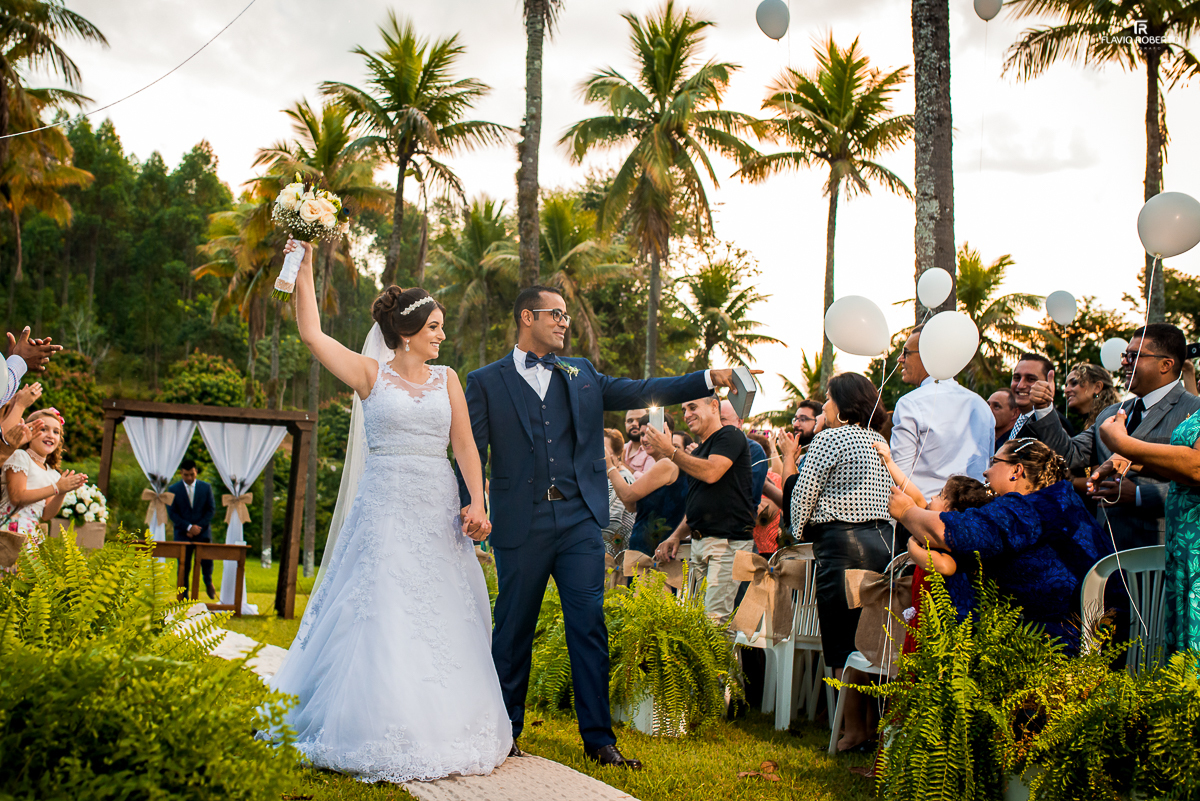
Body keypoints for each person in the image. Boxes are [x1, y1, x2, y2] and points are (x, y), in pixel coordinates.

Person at [455, 284, 753, 769]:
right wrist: (472, 504)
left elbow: (643, 388)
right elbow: (470, 451)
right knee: (512, 630)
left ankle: (599, 740)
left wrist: (707, 377)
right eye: (556, 314)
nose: (564, 322)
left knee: (588, 626)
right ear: (527, 316)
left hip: (578, 521)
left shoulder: (583, 374)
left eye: (567, 315)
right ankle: (503, 731)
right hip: (520, 522)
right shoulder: (485, 381)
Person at [266, 239, 510, 783]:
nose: (442, 336)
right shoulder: (370, 375)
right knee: (383, 604)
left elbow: (466, 447)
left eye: (442, 327)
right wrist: (304, 266)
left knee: (444, 606)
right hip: (386, 507)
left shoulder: (449, 379)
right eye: (434, 328)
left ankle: (448, 717)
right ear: (405, 333)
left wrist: (477, 501)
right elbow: (312, 334)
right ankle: (375, 719)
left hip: (438, 507)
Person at [892, 439, 1112, 655]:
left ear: (1015, 470)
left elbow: (947, 532)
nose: (986, 473)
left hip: (1053, 644)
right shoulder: (1060, 501)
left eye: (993, 461)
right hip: (1100, 636)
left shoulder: (1027, 508)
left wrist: (906, 513)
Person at [1024, 324, 1200, 550]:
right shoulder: (1110, 414)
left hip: (1162, 553)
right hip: (1106, 548)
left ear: (1166, 365)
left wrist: (1137, 494)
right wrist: (1044, 408)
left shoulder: (1194, 412)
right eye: (1125, 355)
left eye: (1134, 356)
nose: (1125, 362)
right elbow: (1068, 456)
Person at [1091, 406, 1200, 652]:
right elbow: (1182, 468)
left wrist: (1122, 442)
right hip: (1184, 549)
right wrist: (1132, 462)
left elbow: (1197, 467)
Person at [648, 395, 756, 626]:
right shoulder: (697, 454)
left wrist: (671, 452)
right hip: (701, 543)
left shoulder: (730, 435)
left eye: (693, 407)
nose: (687, 415)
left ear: (714, 406)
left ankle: (722, 664)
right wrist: (676, 536)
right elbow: (699, 504)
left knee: (713, 623)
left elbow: (712, 472)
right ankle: (719, 664)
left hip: (727, 543)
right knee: (702, 626)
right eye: (684, 409)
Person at [890, 325, 995, 505]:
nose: (900, 359)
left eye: (906, 352)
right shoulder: (981, 405)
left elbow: (899, 474)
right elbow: (988, 466)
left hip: (923, 513)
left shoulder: (910, 403)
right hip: (973, 513)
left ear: (927, 355)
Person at [0, 408, 87, 573]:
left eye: (56, 432)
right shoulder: (20, 457)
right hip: (10, 531)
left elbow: (46, 514)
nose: (50, 435)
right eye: (43, 429)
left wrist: (62, 492)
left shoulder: (53, 473)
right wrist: (56, 488)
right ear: (29, 432)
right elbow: (17, 497)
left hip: (31, 537)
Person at [607, 429, 688, 557]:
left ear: (666, 435)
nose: (645, 439)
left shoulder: (667, 464)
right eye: (642, 434)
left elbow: (627, 496)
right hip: (644, 550)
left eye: (651, 433)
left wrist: (609, 466)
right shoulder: (659, 467)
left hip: (658, 553)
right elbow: (631, 506)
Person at [166, 459, 217, 600]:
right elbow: (172, 513)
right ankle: (184, 597)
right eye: (186, 475)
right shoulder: (173, 490)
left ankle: (208, 582)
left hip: (203, 532)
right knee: (184, 566)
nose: (189, 478)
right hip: (183, 534)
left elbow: (211, 510)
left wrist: (198, 527)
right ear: (181, 473)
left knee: (207, 562)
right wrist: (188, 527)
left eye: (192, 474)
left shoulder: (206, 488)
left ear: (196, 472)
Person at [1007, 352, 1075, 441]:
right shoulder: (1019, 422)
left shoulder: (1056, 425)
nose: (1020, 385)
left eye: (1031, 379)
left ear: (1049, 384)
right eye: (1016, 378)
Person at [720, 399, 768, 508]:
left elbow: (749, 493)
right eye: (716, 420)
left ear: (739, 422)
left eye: (723, 419)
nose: (719, 424)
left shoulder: (754, 450)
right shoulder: (711, 447)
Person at [601, 429, 634, 555]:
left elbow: (610, 526)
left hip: (615, 557)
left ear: (617, 455)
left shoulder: (623, 478)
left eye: (602, 449)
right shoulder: (605, 478)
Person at [1064, 362, 1121, 430]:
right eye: (1066, 386)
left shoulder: (1114, 422)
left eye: (1074, 383)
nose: (1066, 390)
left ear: (1097, 387)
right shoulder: (1081, 425)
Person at [622, 409, 655, 479]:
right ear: (625, 424)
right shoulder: (620, 448)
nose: (634, 424)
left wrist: (621, 466)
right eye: (630, 421)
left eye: (639, 420)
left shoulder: (652, 451)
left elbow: (648, 481)